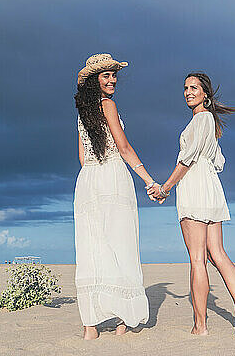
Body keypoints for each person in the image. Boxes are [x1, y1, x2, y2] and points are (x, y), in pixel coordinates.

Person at [148, 72, 235, 337]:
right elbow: (218, 161)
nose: (188, 92)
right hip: (210, 187)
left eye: (194, 87)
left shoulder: (201, 120)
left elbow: (186, 161)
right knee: (216, 253)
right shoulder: (209, 121)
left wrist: (165, 188)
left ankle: (201, 325)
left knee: (198, 259)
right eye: (185, 88)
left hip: (195, 187)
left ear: (205, 93)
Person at [73, 53, 161, 340]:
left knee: (91, 249)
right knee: (121, 245)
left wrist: (94, 180)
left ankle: (91, 326)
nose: (112, 80)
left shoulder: (82, 112)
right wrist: (149, 180)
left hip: (87, 182)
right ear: (94, 81)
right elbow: (123, 147)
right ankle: (123, 318)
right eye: (106, 75)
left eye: (114, 75)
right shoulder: (107, 104)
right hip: (112, 177)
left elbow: (82, 158)